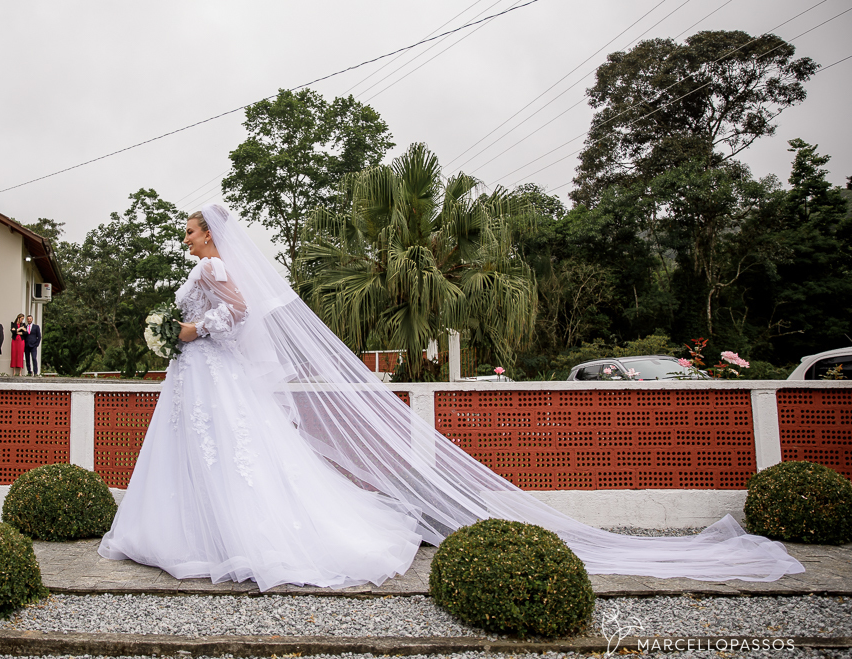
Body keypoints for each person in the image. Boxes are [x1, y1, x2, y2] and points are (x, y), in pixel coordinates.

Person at [99, 204, 803, 590]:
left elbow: (239, 313)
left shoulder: (215, 268)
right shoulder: (207, 266)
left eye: (189, 229)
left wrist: (186, 330)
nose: (185, 237)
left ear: (210, 234)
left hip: (210, 371)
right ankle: (196, 533)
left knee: (234, 456)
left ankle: (222, 537)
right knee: (218, 456)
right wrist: (182, 336)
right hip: (202, 377)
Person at [9, 312, 26, 377]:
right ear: (18, 318)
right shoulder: (13, 324)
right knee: (14, 354)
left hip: (21, 341)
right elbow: (13, 331)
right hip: (14, 341)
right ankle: (14, 372)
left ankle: (20, 372)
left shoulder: (23, 324)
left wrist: (17, 331)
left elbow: (25, 333)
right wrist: (21, 329)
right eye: (21, 318)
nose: (22, 320)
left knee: (20, 354)